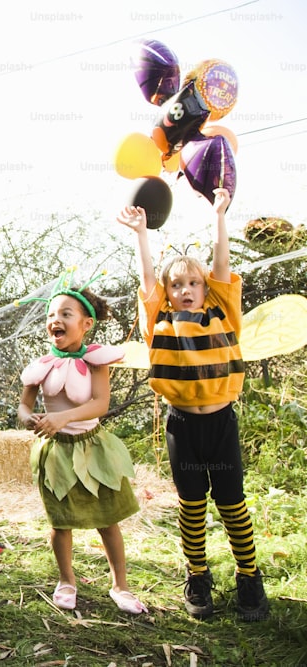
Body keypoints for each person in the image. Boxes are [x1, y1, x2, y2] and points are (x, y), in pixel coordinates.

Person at [117, 187, 269, 622]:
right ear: (168, 293)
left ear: (206, 289)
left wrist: (220, 214)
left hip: (221, 423)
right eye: (177, 284)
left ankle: (248, 577)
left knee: (232, 502)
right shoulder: (159, 322)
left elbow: (221, 267)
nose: (186, 289)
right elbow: (148, 280)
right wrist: (141, 235)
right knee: (191, 504)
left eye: (193, 283)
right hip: (181, 425)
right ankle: (198, 577)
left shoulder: (223, 314)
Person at [16, 275, 147, 615]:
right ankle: (66, 580)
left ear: (86, 324)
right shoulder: (41, 366)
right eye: (50, 315)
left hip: (93, 448)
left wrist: (63, 417)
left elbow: (100, 404)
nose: (55, 320)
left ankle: (120, 585)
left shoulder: (95, 359)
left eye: (65, 313)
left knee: (108, 519)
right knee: (61, 523)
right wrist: (29, 418)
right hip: (56, 452)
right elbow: (23, 406)